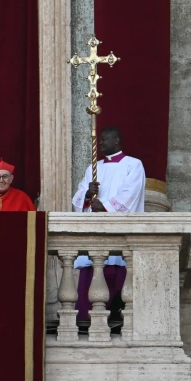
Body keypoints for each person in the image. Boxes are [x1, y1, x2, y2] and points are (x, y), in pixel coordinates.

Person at [71, 126, 145, 321]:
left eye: (104, 139)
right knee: (92, 276)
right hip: (96, 231)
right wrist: (87, 195)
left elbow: (130, 195)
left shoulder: (133, 165)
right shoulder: (93, 169)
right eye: (100, 139)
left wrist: (104, 206)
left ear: (117, 141)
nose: (100, 142)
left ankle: (116, 319)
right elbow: (78, 196)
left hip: (121, 231)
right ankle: (85, 321)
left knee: (118, 277)